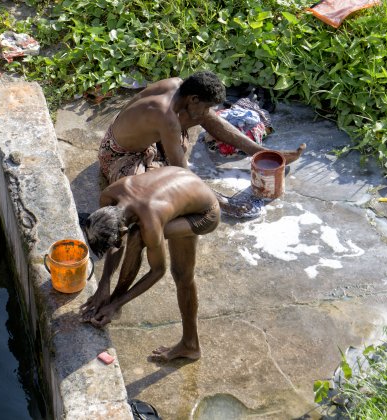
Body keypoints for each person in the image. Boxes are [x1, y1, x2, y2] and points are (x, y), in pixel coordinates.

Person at [80, 166, 220, 361]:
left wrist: (116, 303)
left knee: (173, 267)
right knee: (143, 239)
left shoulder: (150, 220)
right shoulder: (108, 197)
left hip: (205, 212)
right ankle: (191, 344)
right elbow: (117, 243)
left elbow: (157, 270)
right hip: (181, 189)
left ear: (121, 231)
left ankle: (115, 306)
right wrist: (104, 285)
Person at [98, 70, 306, 185]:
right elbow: (181, 170)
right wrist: (215, 199)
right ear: (194, 98)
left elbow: (209, 118)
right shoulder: (166, 117)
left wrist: (261, 153)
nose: (208, 110)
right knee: (155, 189)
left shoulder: (178, 86)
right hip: (118, 155)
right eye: (207, 105)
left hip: (143, 138)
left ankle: (261, 153)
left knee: (204, 118)